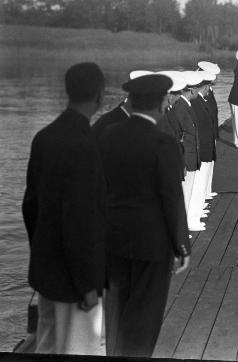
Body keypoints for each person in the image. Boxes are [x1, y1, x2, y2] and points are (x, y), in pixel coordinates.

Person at [98, 74, 190, 358]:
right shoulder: (164, 144)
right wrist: (182, 245)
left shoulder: (107, 135)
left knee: (114, 313)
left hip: (112, 240)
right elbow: (171, 198)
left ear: (132, 101)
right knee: (144, 318)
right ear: (163, 103)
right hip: (152, 245)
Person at [22, 62, 106, 355]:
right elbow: (80, 221)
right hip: (75, 282)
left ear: (66, 92)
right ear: (100, 96)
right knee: (81, 348)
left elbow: (30, 207)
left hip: (46, 273)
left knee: (46, 344)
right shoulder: (85, 145)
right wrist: (88, 285)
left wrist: (42, 255)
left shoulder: (44, 138)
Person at [162, 71, 206, 232]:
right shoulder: (178, 108)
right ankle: (181, 228)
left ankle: (184, 226)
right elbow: (179, 134)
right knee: (183, 195)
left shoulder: (179, 107)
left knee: (186, 194)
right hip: (183, 157)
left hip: (186, 156)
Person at [190, 71, 218, 219]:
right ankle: (194, 214)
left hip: (206, 145)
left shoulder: (200, 101)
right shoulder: (197, 103)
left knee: (200, 181)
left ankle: (197, 208)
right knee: (197, 182)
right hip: (201, 147)